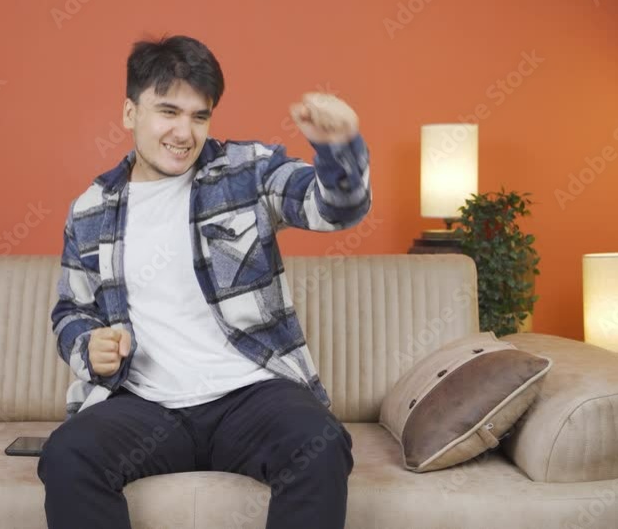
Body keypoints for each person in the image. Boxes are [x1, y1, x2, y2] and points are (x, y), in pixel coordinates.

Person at [38, 34, 371, 529]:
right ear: (130, 113)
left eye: (199, 116)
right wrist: (89, 345)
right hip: (146, 404)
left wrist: (338, 148)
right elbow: (72, 311)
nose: (184, 132)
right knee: (67, 455)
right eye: (168, 112)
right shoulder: (90, 209)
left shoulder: (247, 172)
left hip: (250, 395)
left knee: (320, 443)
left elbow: (334, 208)